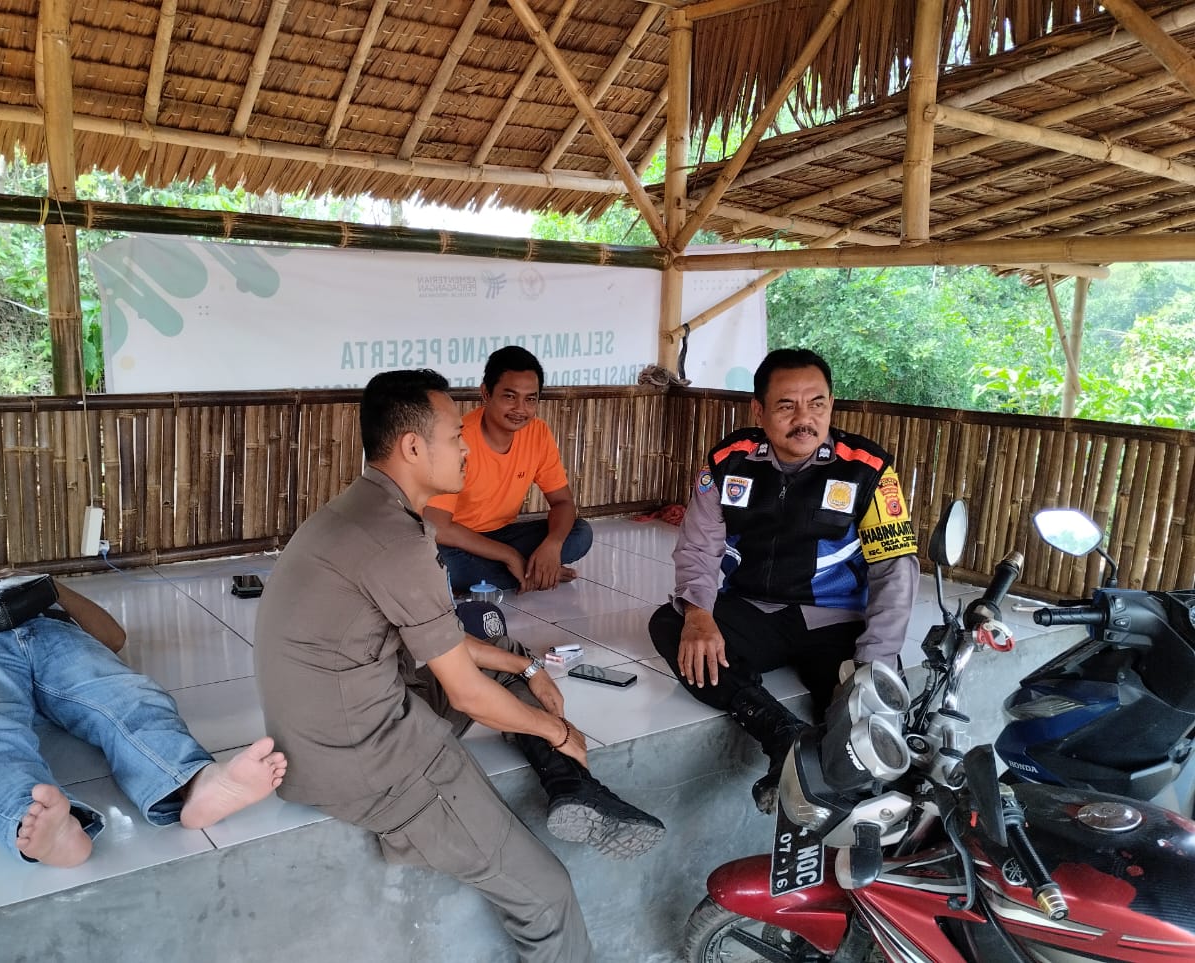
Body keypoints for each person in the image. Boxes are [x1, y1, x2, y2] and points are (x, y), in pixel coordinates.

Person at [255, 368, 663, 963]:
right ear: (412, 447)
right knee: (546, 895)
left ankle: (572, 789)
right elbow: (466, 694)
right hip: (366, 762)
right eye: (454, 437)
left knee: (505, 658)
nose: (466, 447)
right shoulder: (394, 541)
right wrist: (559, 730)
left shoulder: (364, 511)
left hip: (344, 723)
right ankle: (567, 772)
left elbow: (447, 640)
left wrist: (525, 667)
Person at [649, 348, 919, 808]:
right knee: (671, 624)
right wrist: (698, 614)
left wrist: (876, 662)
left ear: (831, 405)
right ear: (758, 410)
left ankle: (844, 795)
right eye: (786, 405)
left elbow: (894, 571)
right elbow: (698, 547)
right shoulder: (729, 461)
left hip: (835, 620)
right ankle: (781, 733)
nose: (804, 419)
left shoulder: (868, 469)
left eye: (817, 404)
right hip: (753, 609)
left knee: (869, 718)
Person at [0, 546, 287, 867]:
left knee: (128, 695)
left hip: (51, 635)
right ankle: (37, 823)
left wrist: (45, 587)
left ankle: (194, 782)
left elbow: (113, 637)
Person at [425, 346, 592, 594]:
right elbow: (437, 526)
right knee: (440, 565)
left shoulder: (538, 433)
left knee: (580, 533)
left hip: (503, 534)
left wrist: (552, 546)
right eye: (510, 397)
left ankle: (512, 574)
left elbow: (563, 503)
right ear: (486, 393)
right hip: (456, 541)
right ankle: (530, 572)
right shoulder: (459, 439)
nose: (520, 409)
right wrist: (509, 555)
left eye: (530, 399)